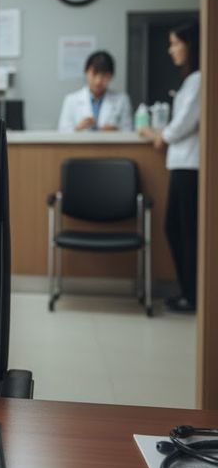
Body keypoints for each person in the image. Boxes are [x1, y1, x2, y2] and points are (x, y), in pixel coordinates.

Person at [139, 23, 200, 313]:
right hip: (183, 164)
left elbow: (182, 125)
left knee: (185, 231)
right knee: (177, 228)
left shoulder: (200, 80)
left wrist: (156, 135)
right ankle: (189, 291)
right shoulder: (191, 81)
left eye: (176, 43)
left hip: (191, 166)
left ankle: (193, 294)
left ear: (191, 45)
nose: (171, 50)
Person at [57, 50, 133, 132]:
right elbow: (62, 133)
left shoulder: (122, 100)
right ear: (86, 72)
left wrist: (116, 131)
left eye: (104, 75)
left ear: (111, 76)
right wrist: (78, 128)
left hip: (110, 144)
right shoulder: (71, 100)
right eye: (94, 74)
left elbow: (128, 131)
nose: (98, 81)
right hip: (80, 145)